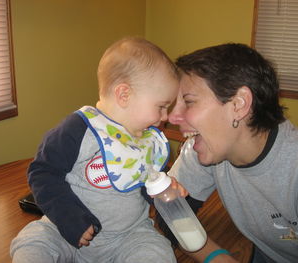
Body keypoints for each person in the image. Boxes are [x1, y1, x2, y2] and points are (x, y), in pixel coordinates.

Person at [10, 37, 180, 263]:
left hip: (128, 236)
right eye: (161, 106)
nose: (165, 117)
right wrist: (67, 217)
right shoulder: (78, 129)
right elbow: (43, 172)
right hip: (65, 230)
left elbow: (152, 181)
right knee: (34, 241)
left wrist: (166, 188)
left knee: (158, 250)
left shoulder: (147, 138)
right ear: (124, 95)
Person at [166, 43, 298, 263]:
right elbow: (169, 212)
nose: (172, 117)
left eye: (188, 102)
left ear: (239, 104)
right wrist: (217, 257)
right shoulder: (206, 146)